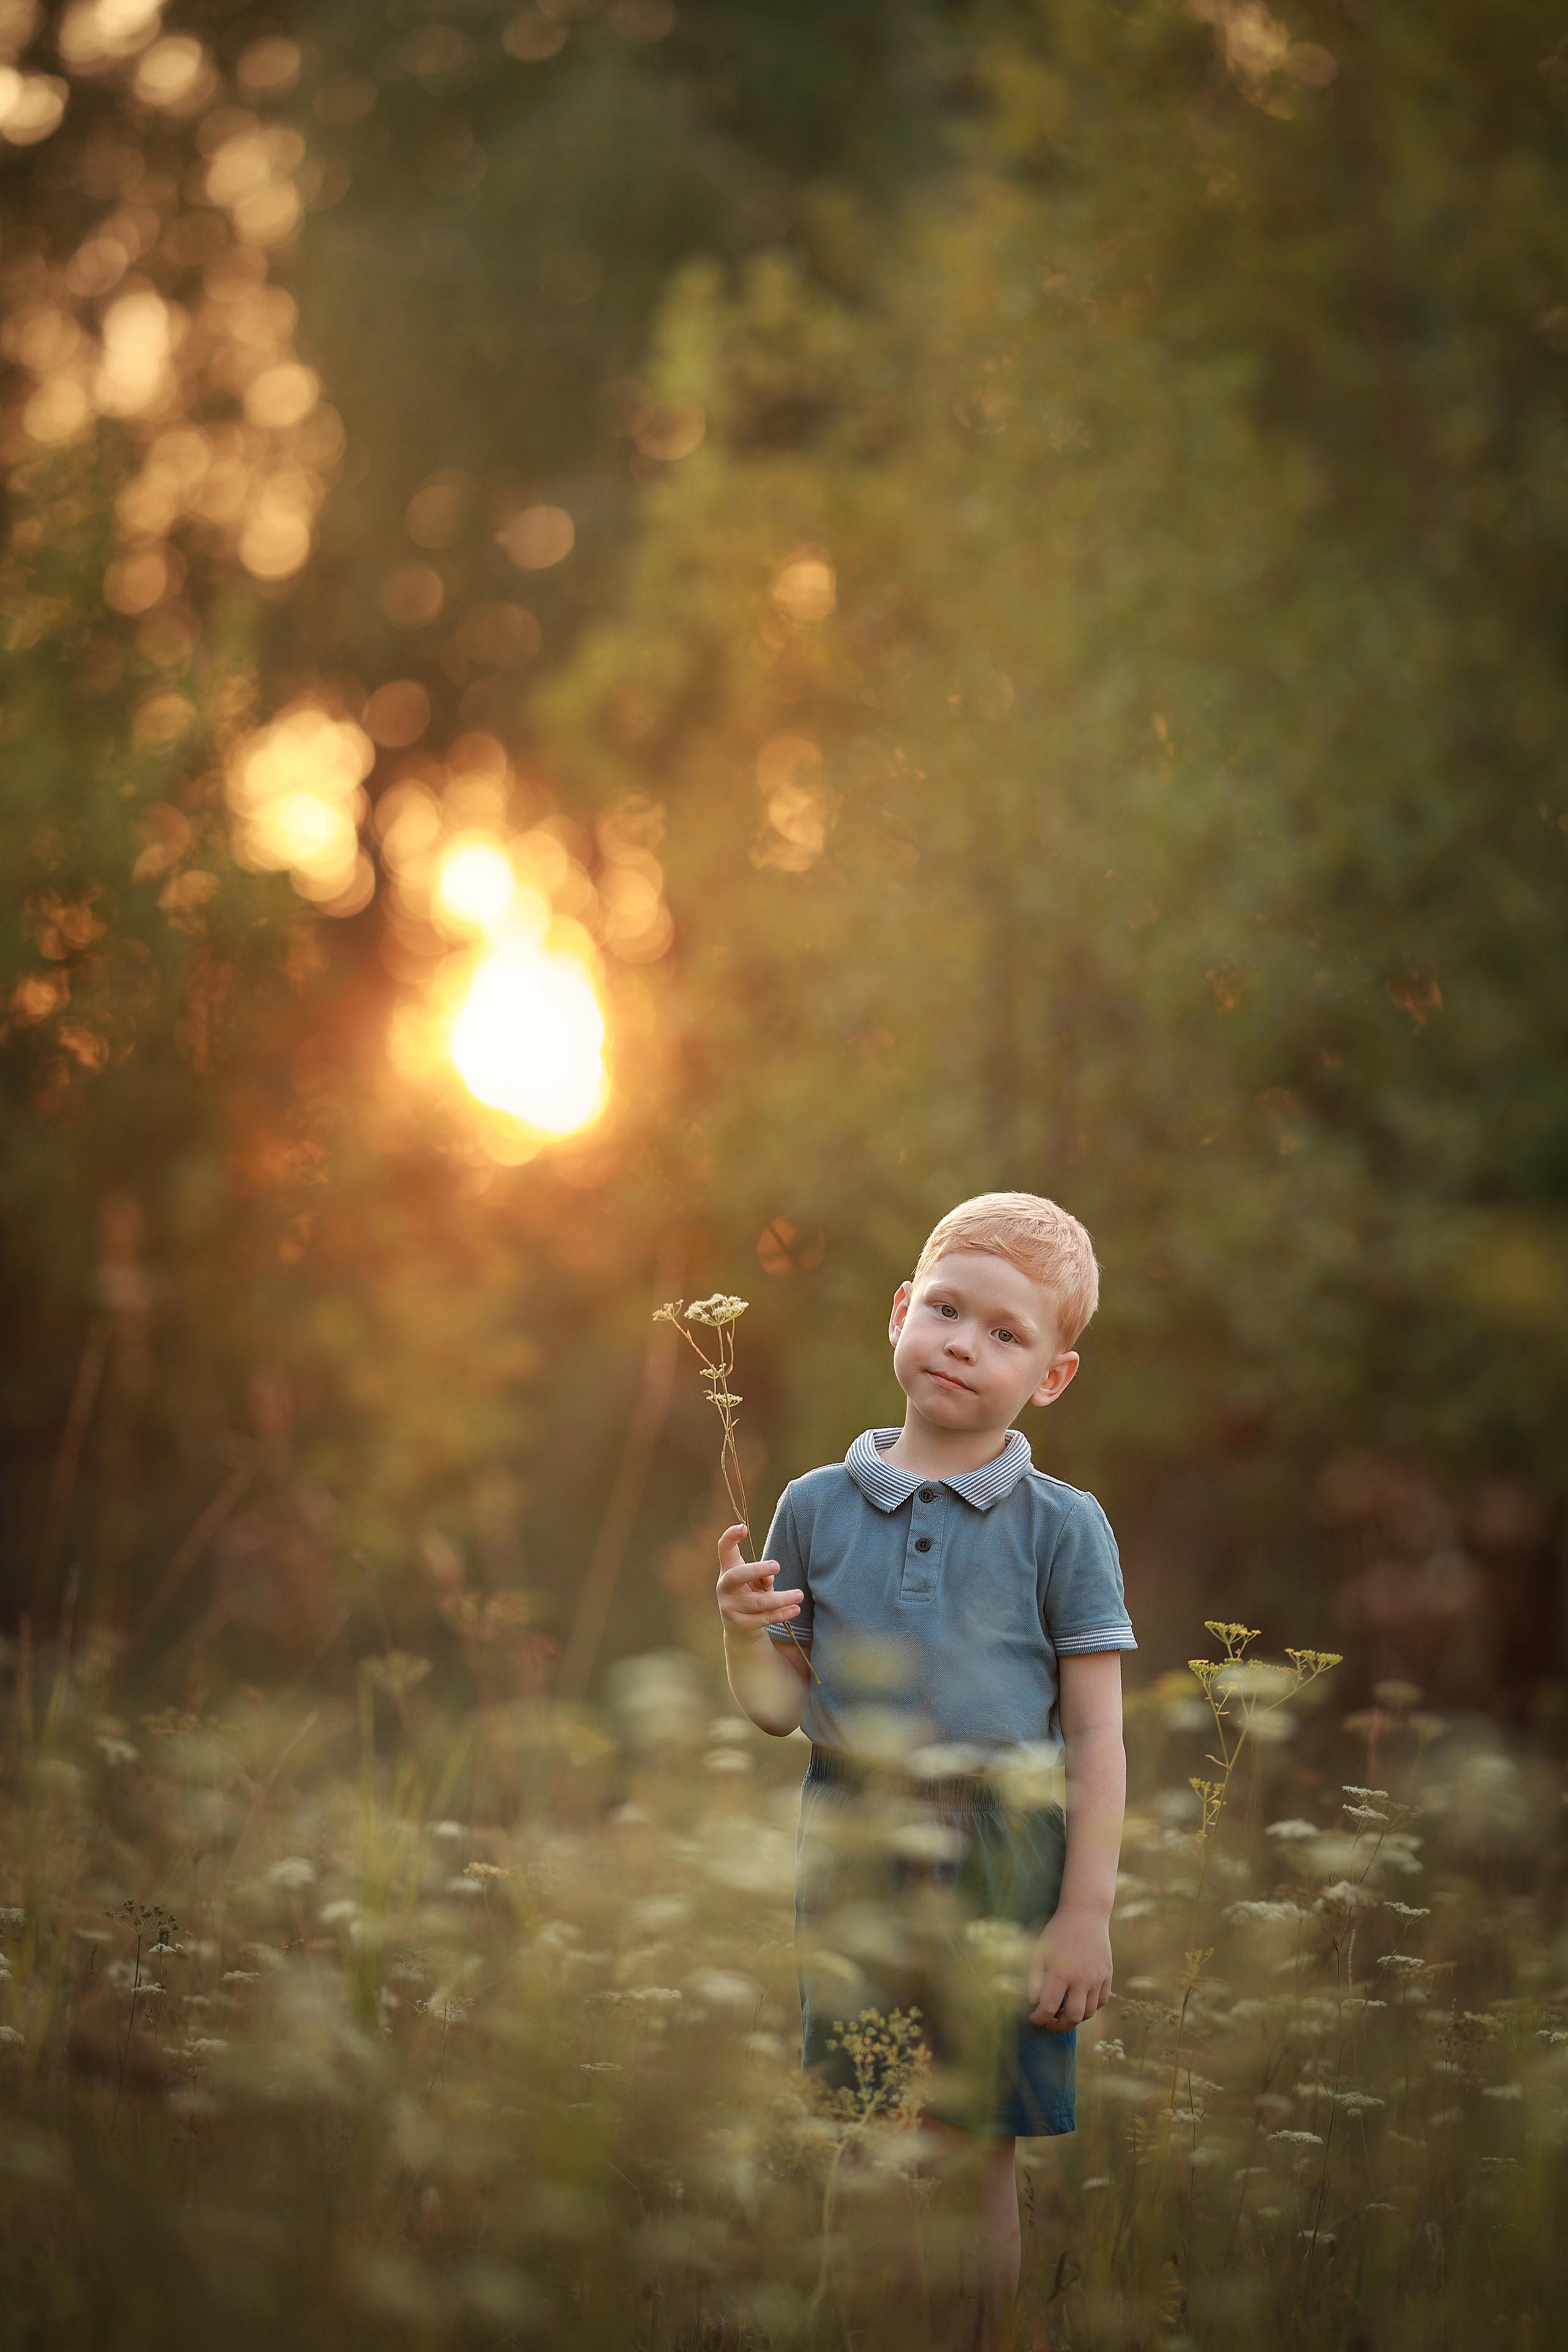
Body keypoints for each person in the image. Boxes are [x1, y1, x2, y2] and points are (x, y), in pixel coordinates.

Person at [715, 1191, 1134, 2350]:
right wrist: (741, 1630)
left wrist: (1085, 1914)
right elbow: (776, 1716)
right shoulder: (814, 1506)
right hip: (855, 1836)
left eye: (1007, 1334)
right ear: (902, 1312)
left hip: (1005, 1849)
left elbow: (1098, 1736)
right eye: (946, 1309)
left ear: (1052, 1377)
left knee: (971, 2143)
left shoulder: (1064, 1527)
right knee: (857, 2124)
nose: (963, 1341)